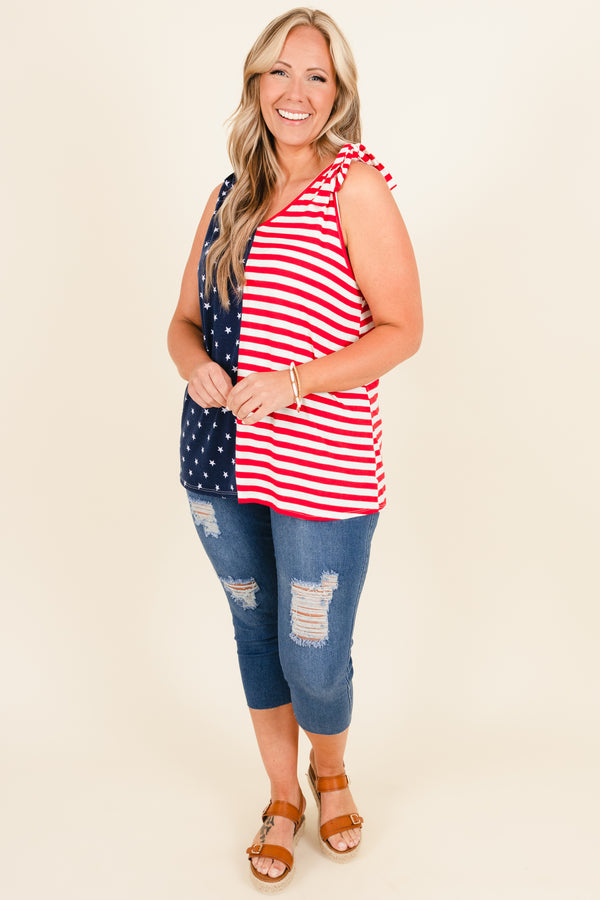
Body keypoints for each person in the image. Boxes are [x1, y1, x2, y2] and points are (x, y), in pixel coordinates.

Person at [167, 6, 422, 891]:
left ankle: (331, 769)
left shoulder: (355, 184)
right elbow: (183, 322)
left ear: (338, 92)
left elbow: (403, 329)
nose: (296, 91)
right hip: (218, 457)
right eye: (280, 71)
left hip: (324, 463)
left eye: (317, 75)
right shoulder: (227, 195)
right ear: (255, 83)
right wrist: (196, 366)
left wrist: (295, 380)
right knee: (254, 629)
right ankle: (282, 796)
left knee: (313, 649)